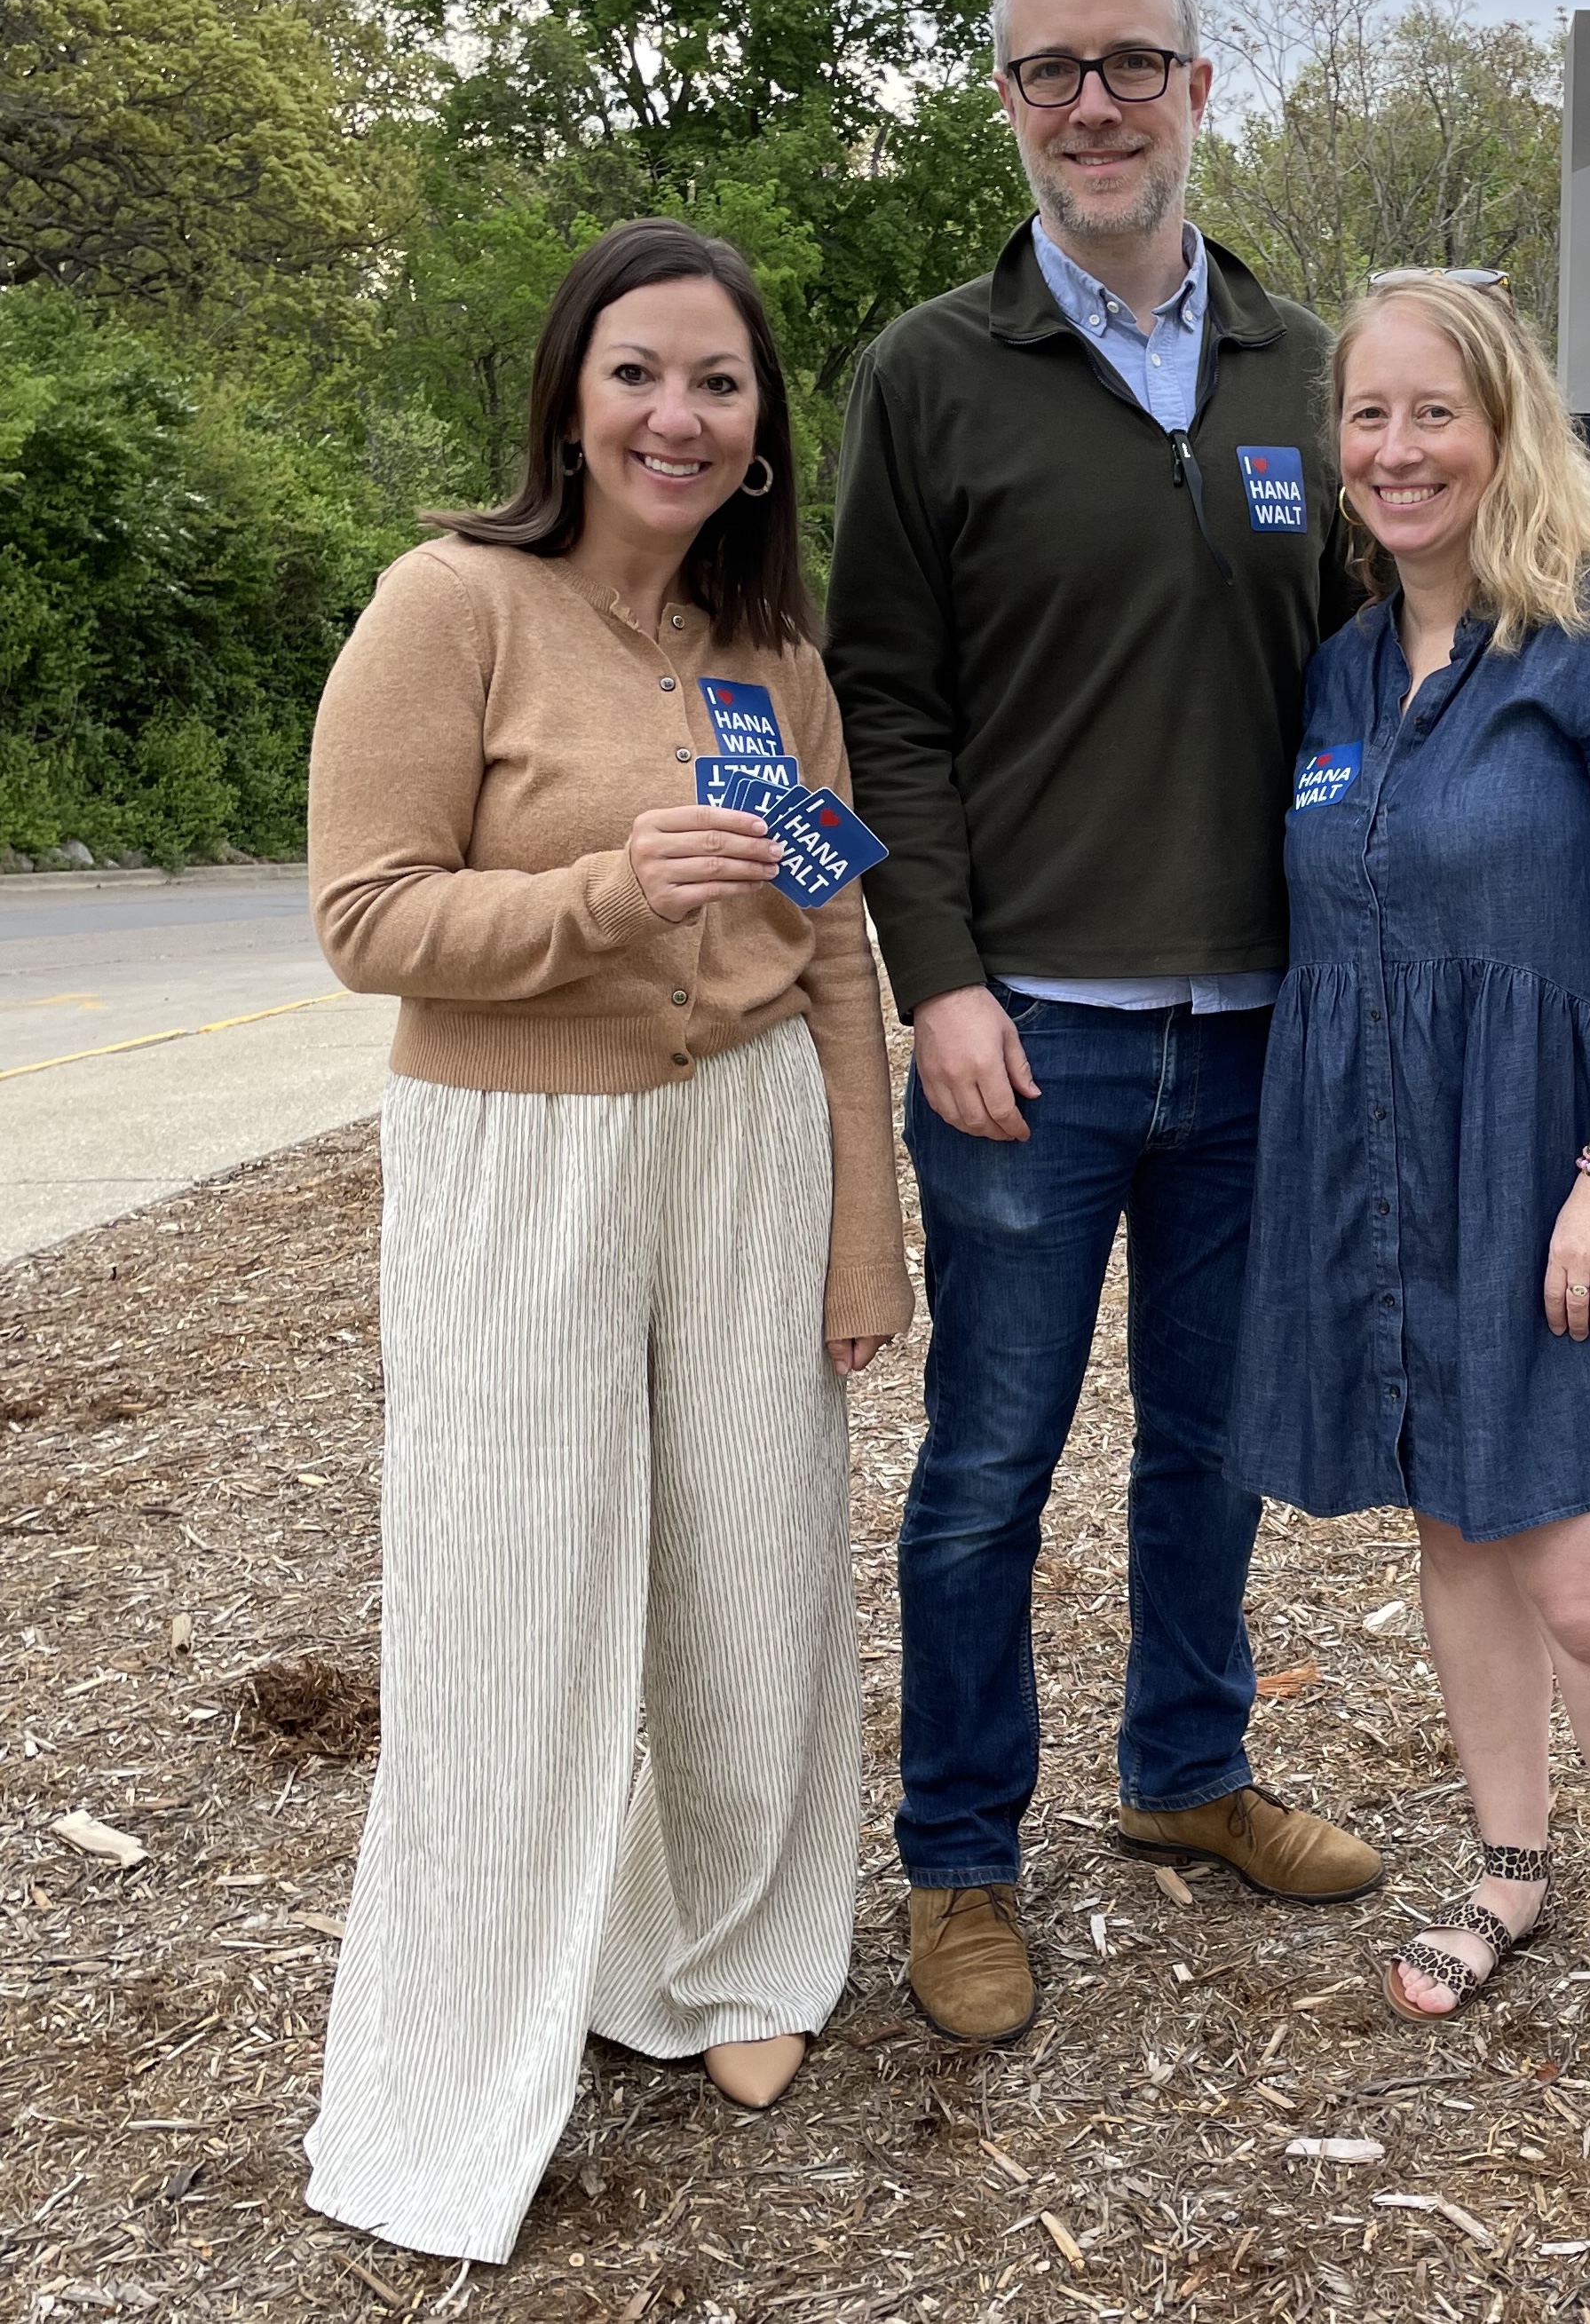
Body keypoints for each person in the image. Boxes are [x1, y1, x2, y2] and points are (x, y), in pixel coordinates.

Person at [302, 218, 911, 2262]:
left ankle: (737, 1953)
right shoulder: (448, 604)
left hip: (744, 1146)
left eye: (719, 384)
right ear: (570, 391)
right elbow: (365, 918)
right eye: (640, 371)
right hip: (517, 1152)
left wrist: (861, 1223)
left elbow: (834, 951)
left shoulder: (777, 662)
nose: (678, 412)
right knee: (509, 1602)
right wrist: (593, 895)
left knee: (755, 1563)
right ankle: (470, 2033)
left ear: (759, 437)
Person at [823, 0, 1379, 2049]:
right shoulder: (932, 374)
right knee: (988, 1462)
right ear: (1006, 103)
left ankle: (1184, 1774)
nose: (1093, 104)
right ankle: (961, 1857)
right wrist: (939, 978)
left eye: (1130, 62)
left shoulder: (1302, 369)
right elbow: (890, 698)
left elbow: (1371, 668)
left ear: (1197, 88)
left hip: (1257, 1031)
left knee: (1211, 1442)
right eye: (1050, 71)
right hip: (1027, 1039)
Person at [1227, 274, 1590, 2116]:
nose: (1395, 451)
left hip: (1567, 1158)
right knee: (1454, 1531)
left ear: (1506, 425)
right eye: (1366, 418)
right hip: (1395, 1167)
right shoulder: (1342, 664)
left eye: (1432, 414)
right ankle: (1507, 1868)